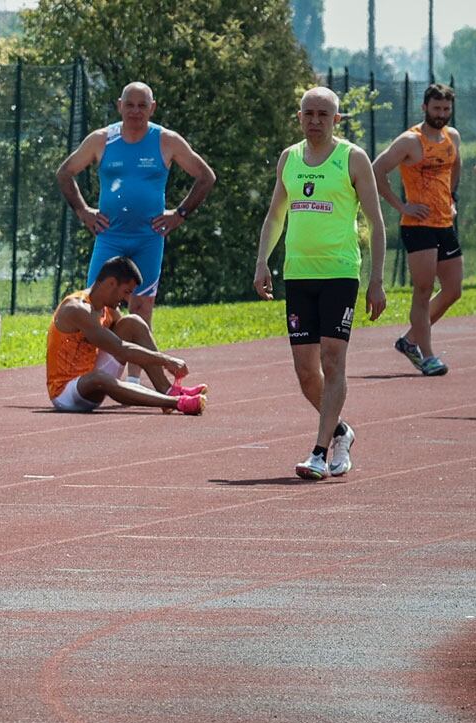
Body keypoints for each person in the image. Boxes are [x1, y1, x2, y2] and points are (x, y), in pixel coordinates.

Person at [253, 86, 386, 481]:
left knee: (332, 360)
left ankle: (319, 453)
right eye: (308, 114)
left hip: (340, 272)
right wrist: (262, 262)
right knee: (307, 373)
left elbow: (376, 222)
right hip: (299, 273)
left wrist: (376, 280)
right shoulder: (289, 158)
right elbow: (276, 215)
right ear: (299, 117)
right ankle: (341, 431)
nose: (315, 121)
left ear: (336, 120)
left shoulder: (352, 158)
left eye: (323, 114)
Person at [56, 82, 218, 327]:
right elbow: (65, 173)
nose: (135, 111)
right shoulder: (101, 140)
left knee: (141, 310)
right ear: (119, 106)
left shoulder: (166, 140)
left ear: (152, 108)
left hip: (148, 238)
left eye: (142, 105)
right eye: (129, 105)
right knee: (96, 306)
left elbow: (206, 176)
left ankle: (136, 354)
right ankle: (95, 354)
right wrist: (83, 211)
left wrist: (179, 214)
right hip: (110, 236)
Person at [372, 83, 461, 376]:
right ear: (424, 108)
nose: (441, 114)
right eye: (436, 108)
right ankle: (428, 355)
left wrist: (452, 198)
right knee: (423, 291)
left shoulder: (452, 137)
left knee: (453, 290)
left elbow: (455, 165)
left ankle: (410, 340)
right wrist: (402, 206)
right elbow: (376, 169)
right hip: (418, 225)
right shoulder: (410, 141)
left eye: (446, 109)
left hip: (444, 223)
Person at [46, 255, 206, 414]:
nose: (127, 299)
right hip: (66, 393)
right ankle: (176, 402)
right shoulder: (77, 309)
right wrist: (166, 360)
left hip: (93, 376)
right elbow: (121, 349)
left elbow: (131, 339)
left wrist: (162, 361)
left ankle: (168, 390)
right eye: (126, 292)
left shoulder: (108, 308)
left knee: (133, 322)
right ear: (111, 283)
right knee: (99, 377)